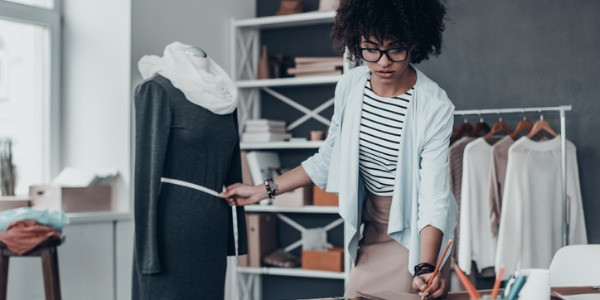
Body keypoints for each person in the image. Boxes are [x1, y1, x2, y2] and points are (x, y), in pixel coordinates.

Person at [221, 0, 456, 298]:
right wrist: (262, 190)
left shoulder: (434, 107)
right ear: (357, 43)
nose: (383, 62)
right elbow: (329, 157)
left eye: (395, 48)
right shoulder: (351, 86)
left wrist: (425, 266)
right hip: (371, 223)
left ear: (414, 42)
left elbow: (434, 198)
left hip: (416, 230)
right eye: (371, 48)